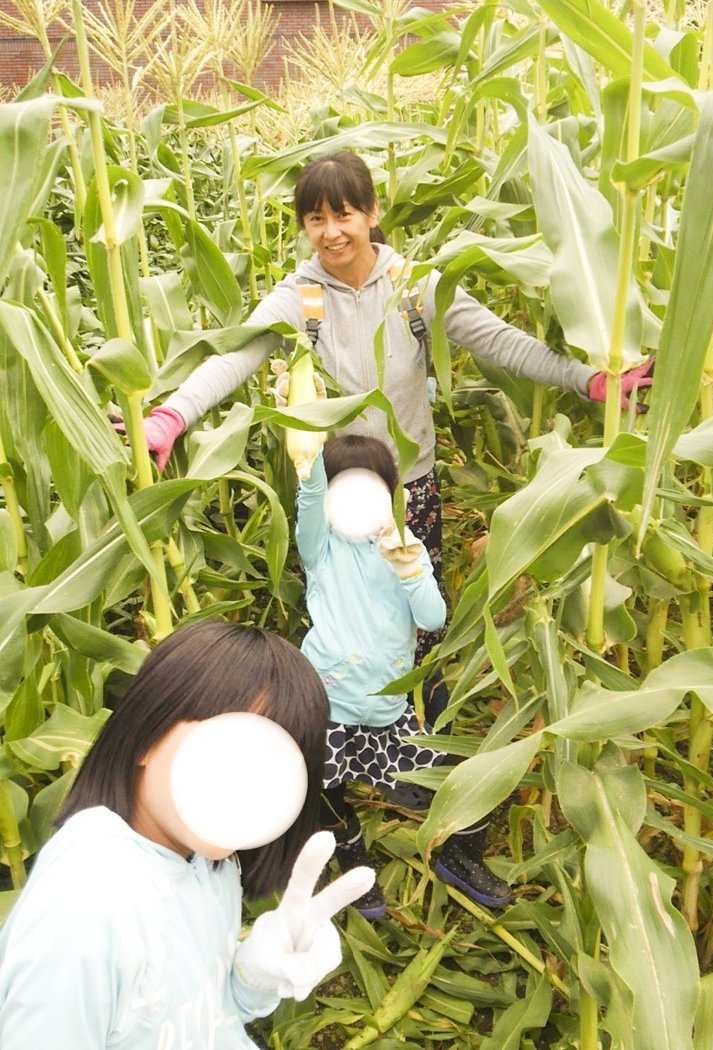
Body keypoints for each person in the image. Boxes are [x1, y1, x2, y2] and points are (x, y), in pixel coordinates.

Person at [136, 150, 652, 721]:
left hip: (408, 487)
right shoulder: (299, 298)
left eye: (344, 214)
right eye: (315, 219)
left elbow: (501, 341)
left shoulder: (415, 287)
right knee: (339, 615)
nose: (331, 232)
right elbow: (235, 356)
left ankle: (420, 717)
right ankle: (339, 727)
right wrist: (171, 417)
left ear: (371, 212)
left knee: (416, 608)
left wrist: (588, 380)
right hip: (332, 494)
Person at [0, 621, 373, 1050]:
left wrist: (253, 976)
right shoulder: (87, 905)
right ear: (148, 734)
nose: (252, 785)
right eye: (232, 749)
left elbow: (208, 1016)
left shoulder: (211, 866)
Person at [297, 433, 512, 918]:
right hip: (329, 702)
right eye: (343, 490)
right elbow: (309, 495)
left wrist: (409, 566)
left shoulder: (404, 548)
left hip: (390, 705)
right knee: (325, 792)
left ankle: (458, 854)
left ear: (390, 495)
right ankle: (352, 863)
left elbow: (433, 618)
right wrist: (308, 454)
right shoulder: (320, 548)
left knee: (456, 776)